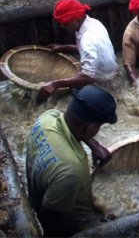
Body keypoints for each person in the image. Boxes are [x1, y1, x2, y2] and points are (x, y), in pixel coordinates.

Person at [26, 85, 117, 236]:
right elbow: (48, 223)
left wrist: (94, 144)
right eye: (99, 126)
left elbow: (71, 123)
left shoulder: (47, 117)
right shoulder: (70, 171)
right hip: (72, 220)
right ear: (90, 127)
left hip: (37, 195)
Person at [39, 0, 118, 98]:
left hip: (103, 83)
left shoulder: (87, 39)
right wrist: (64, 48)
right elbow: (92, 51)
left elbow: (88, 77)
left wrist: (56, 84)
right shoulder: (93, 23)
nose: (62, 27)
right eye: (61, 24)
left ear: (78, 18)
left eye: (66, 24)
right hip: (112, 73)